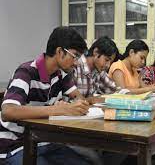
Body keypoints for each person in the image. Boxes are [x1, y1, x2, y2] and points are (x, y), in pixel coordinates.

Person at [0, 26, 93, 165]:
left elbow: (80, 99)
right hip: (15, 145)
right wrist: (60, 109)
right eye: (75, 56)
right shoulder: (26, 72)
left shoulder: (61, 75)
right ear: (60, 52)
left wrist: (72, 105)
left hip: (44, 142)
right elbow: (8, 111)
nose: (76, 62)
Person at [74, 36, 119, 100]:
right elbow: (71, 101)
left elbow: (113, 89)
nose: (108, 65)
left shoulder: (99, 69)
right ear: (95, 52)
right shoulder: (75, 66)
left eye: (110, 62)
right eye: (106, 60)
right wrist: (92, 99)